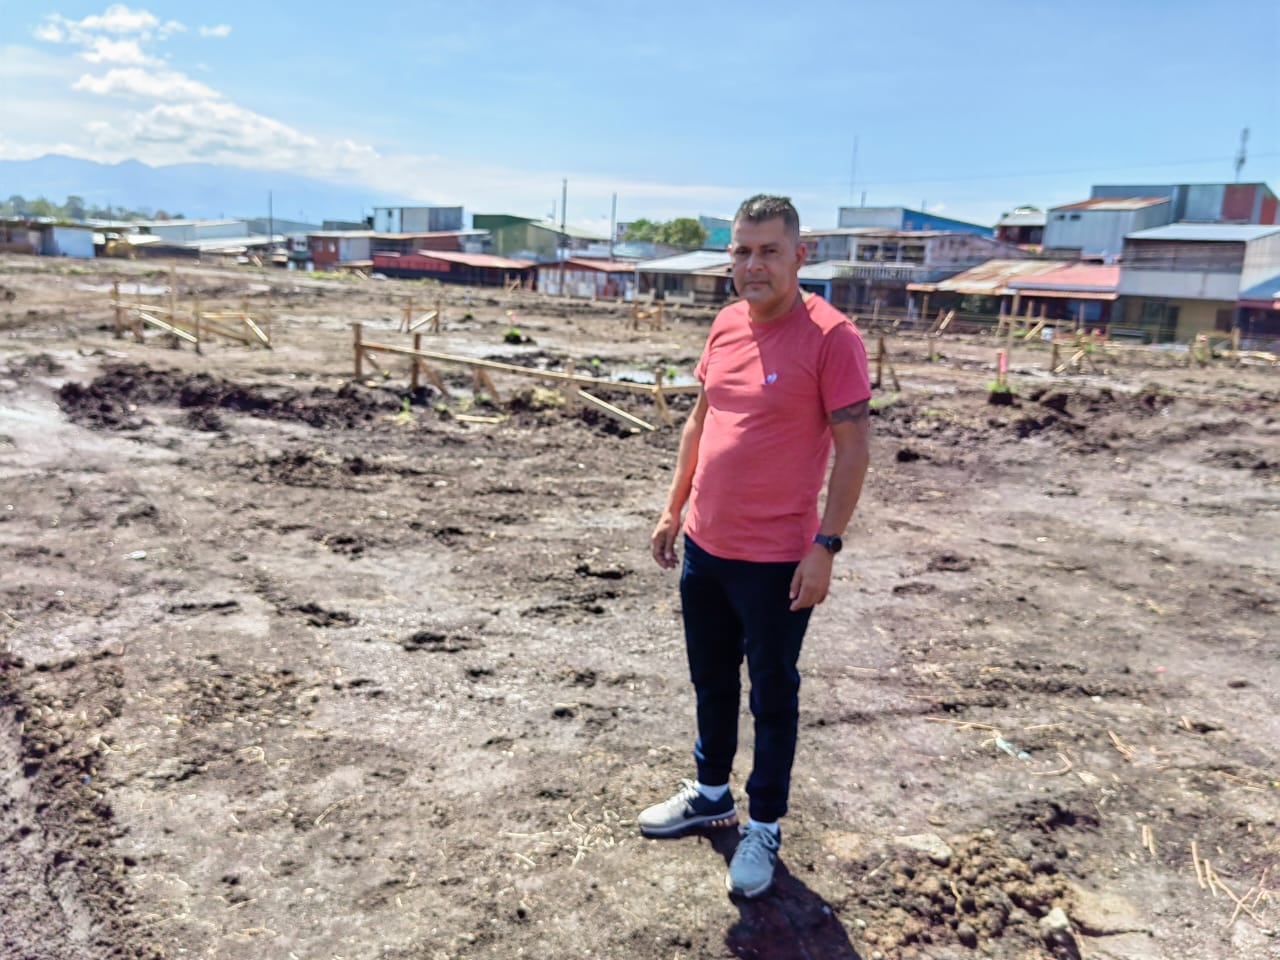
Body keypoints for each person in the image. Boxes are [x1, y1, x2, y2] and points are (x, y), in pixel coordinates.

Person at [638, 195, 872, 898]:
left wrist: (826, 545)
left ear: (801, 255)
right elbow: (699, 423)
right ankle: (712, 793)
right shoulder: (725, 324)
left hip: (777, 560)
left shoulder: (832, 337)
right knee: (710, 678)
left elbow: (855, 448)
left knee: (772, 694)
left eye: (768, 250)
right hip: (708, 545)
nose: (752, 264)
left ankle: (764, 823)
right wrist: (673, 507)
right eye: (741, 250)